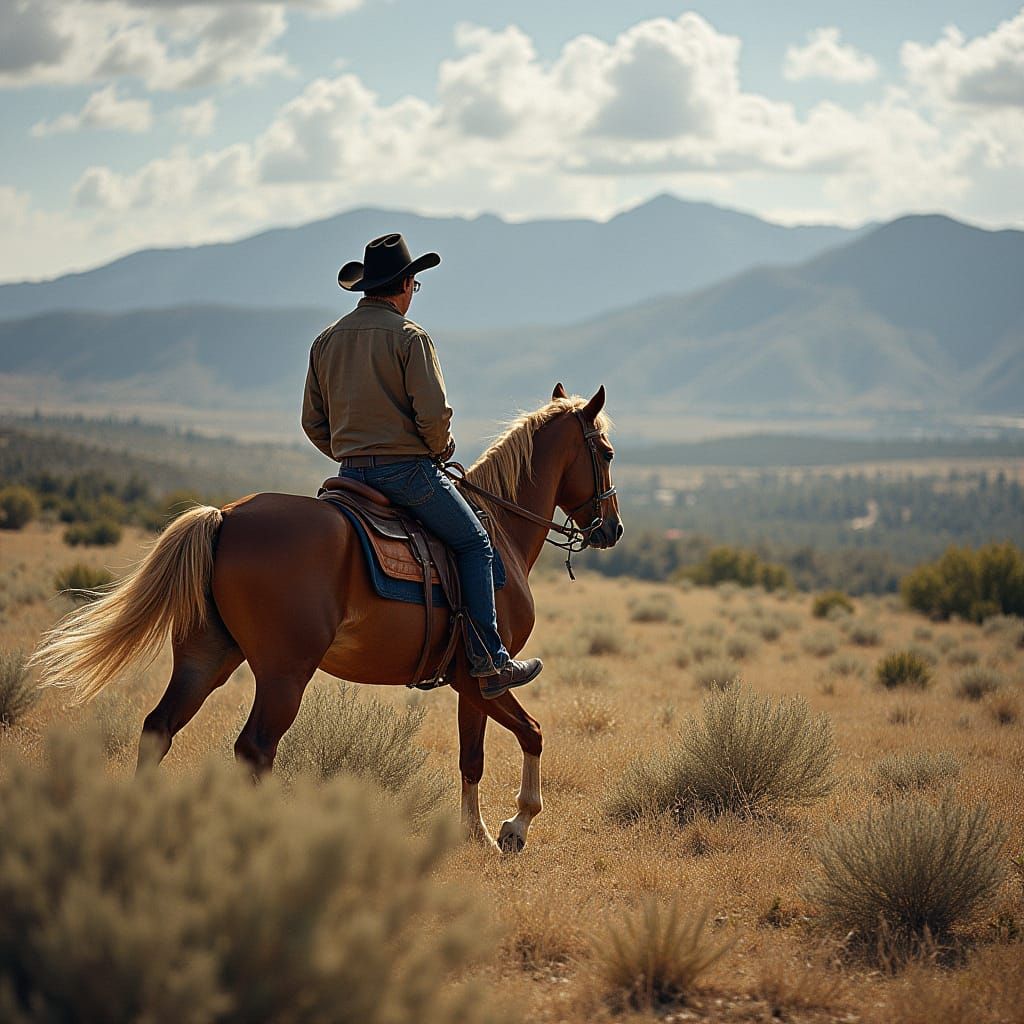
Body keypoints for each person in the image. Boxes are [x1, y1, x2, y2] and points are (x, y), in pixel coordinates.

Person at [301, 232, 542, 699]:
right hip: (408, 475)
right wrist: (439, 447)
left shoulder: (325, 341)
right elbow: (433, 415)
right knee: (475, 543)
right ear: (406, 285)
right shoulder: (410, 338)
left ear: (366, 287)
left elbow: (313, 421)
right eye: (415, 285)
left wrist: (353, 451)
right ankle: (490, 658)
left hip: (349, 477)